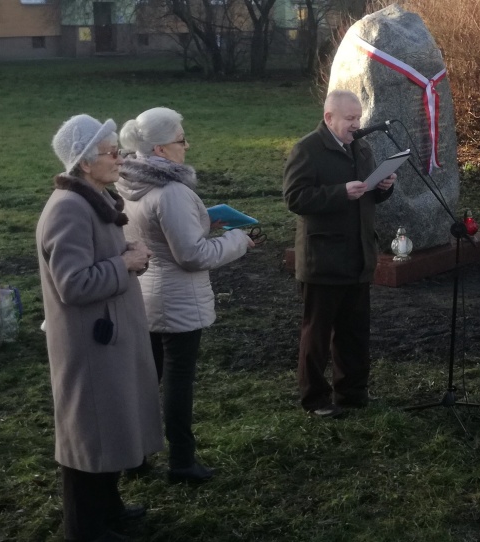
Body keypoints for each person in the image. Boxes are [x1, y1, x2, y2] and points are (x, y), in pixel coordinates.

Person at [37, 114, 164, 542]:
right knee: (87, 435)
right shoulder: (69, 209)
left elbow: (94, 259)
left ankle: (108, 509)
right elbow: (72, 284)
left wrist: (123, 252)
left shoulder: (94, 198)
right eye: (112, 152)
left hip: (108, 337)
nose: (120, 159)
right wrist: (123, 263)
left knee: (107, 427)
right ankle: (84, 529)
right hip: (89, 344)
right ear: (85, 162)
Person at [116, 107, 255, 483]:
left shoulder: (127, 181)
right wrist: (238, 240)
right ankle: (181, 461)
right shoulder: (172, 192)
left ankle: (135, 456)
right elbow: (192, 255)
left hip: (142, 295)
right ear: (160, 149)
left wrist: (204, 220)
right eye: (181, 139)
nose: (187, 144)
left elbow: (153, 232)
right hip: (176, 300)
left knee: (146, 379)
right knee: (177, 382)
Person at [282, 90, 397, 419]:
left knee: (355, 330)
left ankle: (353, 392)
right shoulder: (307, 149)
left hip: (358, 254)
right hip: (322, 258)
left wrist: (383, 188)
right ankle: (315, 399)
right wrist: (339, 193)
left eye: (359, 118)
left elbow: (369, 199)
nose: (356, 124)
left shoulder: (362, 147)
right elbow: (295, 198)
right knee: (317, 334)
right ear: (329, 117)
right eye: (350, 119)